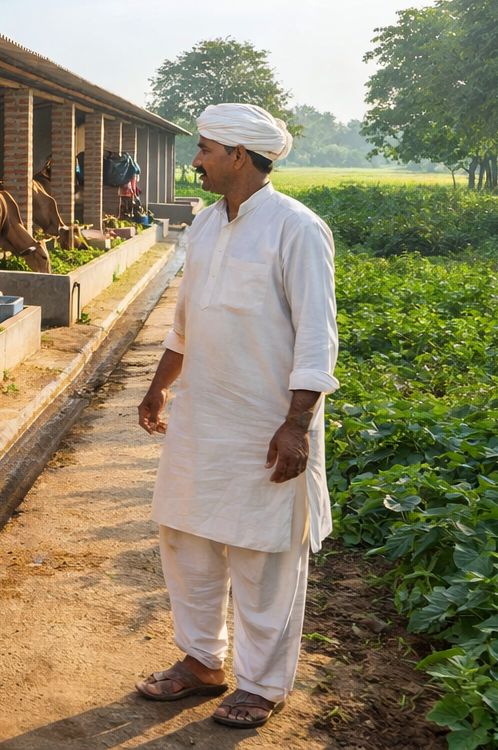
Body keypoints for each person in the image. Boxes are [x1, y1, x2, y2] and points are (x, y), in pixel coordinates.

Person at [133, 103, 338, 729]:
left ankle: (261, 683)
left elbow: (316, 337)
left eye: (204, 149)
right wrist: (158, 388)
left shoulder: (296, 229)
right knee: (185, 536)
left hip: (265, 425)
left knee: (263, 555)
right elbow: (186, 323)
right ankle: (201, 661)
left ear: (239, 157)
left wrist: (296, 424)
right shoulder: (202, 227)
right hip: (201, 418)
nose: (195, 160)